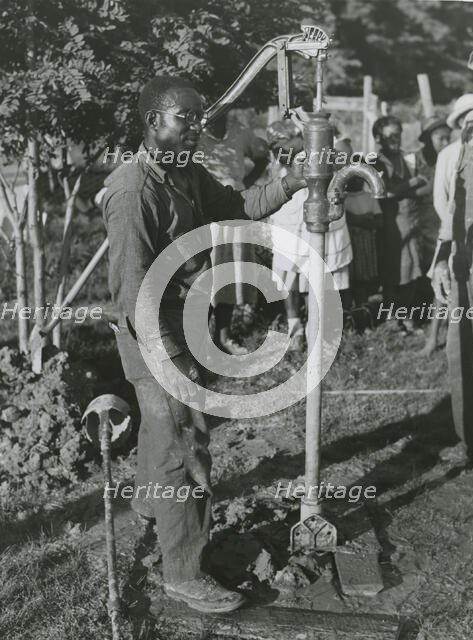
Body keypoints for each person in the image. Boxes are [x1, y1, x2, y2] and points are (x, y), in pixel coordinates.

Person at [102, 76, 306, 612]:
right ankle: (184, 572)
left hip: (185, 320)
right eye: (183, 119)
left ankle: (150, 511)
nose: (195, 129)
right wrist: (171, 362)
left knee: (161, 434)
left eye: (197, 119)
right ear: (153, 122)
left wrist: (293, 182)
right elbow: (132, 292)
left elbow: (238, 207)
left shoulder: (185, 173)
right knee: (186, 448)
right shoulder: (133, 192)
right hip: (153, 333)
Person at [267, 121, 353, 351]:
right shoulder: (282, 133)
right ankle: (294, 328)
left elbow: (345, 153)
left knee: (317, 273)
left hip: (320, 202)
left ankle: (315, 329)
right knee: (290, 273)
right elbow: (286, 155)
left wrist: (322, 140)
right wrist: (305, 143)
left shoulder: (324, 131)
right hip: (291, 205)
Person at [197, 114, 268, 355]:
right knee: (203, 271)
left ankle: (223, 335)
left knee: (227, 270)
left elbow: (262, 156)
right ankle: (199, 337)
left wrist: (245, 182)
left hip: (234, 207)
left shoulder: (239, 130)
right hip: (204, 209)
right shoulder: (194, 134)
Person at [432, 106, 473, 463]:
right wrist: (442, 258)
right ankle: (469, 441)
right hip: (465, 261)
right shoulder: (454, 155)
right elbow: (446, 206)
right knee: (462, 348)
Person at [373, 116, 426, 334]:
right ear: (378, 138)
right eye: (390, 135)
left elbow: (429, 186)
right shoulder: (377, 161)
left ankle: (406, 317)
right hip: (391, 226)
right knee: (393, 273)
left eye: (398, 134)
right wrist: (413, 183)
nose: (395, 139)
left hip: (412, 221)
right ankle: (391, 318)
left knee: (413, 270)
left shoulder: (409, 158)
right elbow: (385, 192)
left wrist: (406, 189)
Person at [409, 116, 451, 356]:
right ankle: (430, 333)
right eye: (439, 138)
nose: (444, 142)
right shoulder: (413, 159)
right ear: (427, 139)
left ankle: (438, 335)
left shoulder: (454, 156)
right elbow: (405, 190)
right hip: (420, 222)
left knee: (442, 280)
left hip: (442, 227)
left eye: (447, 137)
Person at [345, 174, 383, 307]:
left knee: (363, 281)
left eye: (359, 178)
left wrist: (355, 221)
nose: (355, 182)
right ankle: (350, 315)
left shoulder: (369, 197)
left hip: (366, 245)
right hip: (348, 244)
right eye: (352, 178)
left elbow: (378, 222)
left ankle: (363, 313)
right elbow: (345, 220)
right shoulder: (343, 199)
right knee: (348, 281)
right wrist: (365, 218)